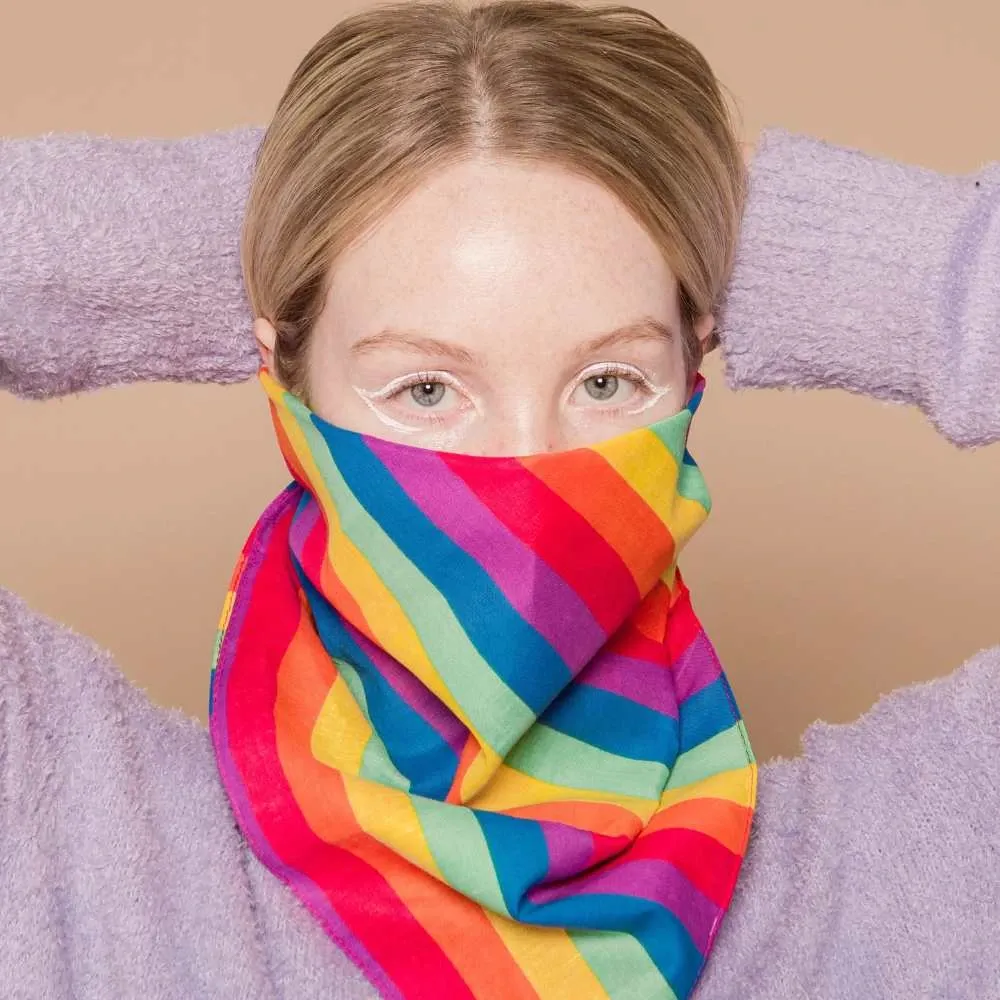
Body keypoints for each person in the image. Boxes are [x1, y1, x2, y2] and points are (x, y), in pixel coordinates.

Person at [0, 3, 997, 1000]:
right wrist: (306, 192)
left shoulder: (915, 861)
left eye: (607, 381)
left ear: (695, 369)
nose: (529, 467)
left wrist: (715, 205)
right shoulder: (75, 836)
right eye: (426, 389)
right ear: (287, 382)